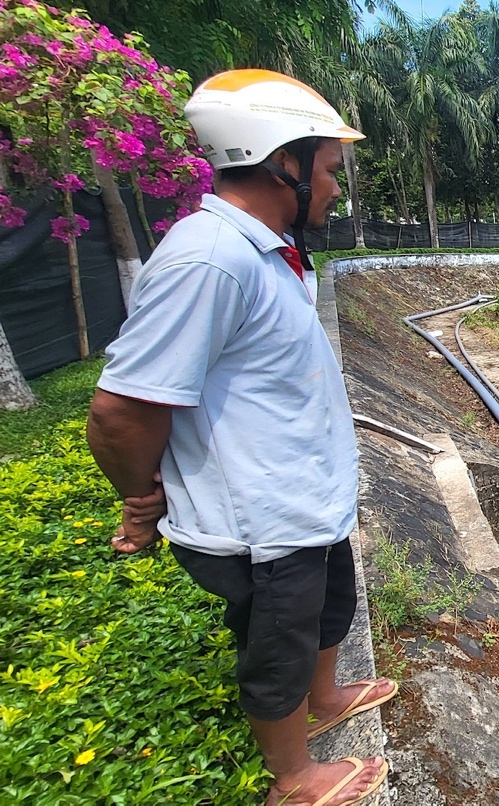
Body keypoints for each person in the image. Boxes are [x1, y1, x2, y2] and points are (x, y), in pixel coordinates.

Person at [87, 69, 394, 806]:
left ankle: (323, 702)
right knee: (276, 647)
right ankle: (293, 779)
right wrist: (139, 498)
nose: (334, 190)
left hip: (303, 501)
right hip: (261, 519)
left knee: (327, 614)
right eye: (327, 170)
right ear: (281, 161)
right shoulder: (210, 259)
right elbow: (121, 410)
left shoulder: (269, 252)